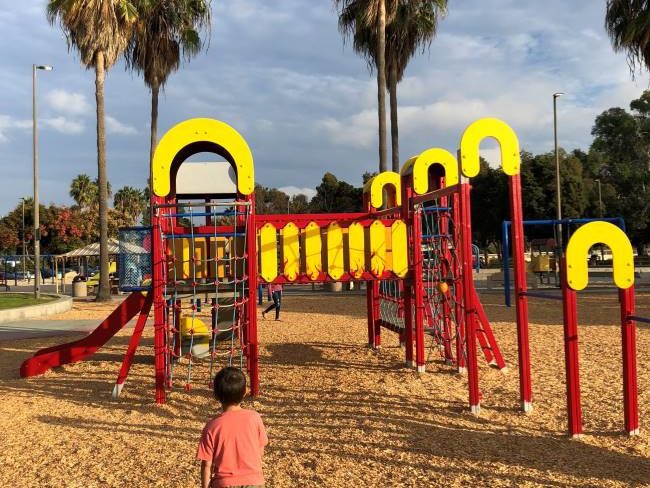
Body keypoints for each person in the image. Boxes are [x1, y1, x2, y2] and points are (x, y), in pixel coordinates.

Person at [197, 367, 268, 488]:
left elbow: (206, 465)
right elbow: (260, 451)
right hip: (254, 481)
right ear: (245, 392)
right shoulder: (255, 418)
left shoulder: (212, 426)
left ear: (216, 395)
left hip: (224, 483)